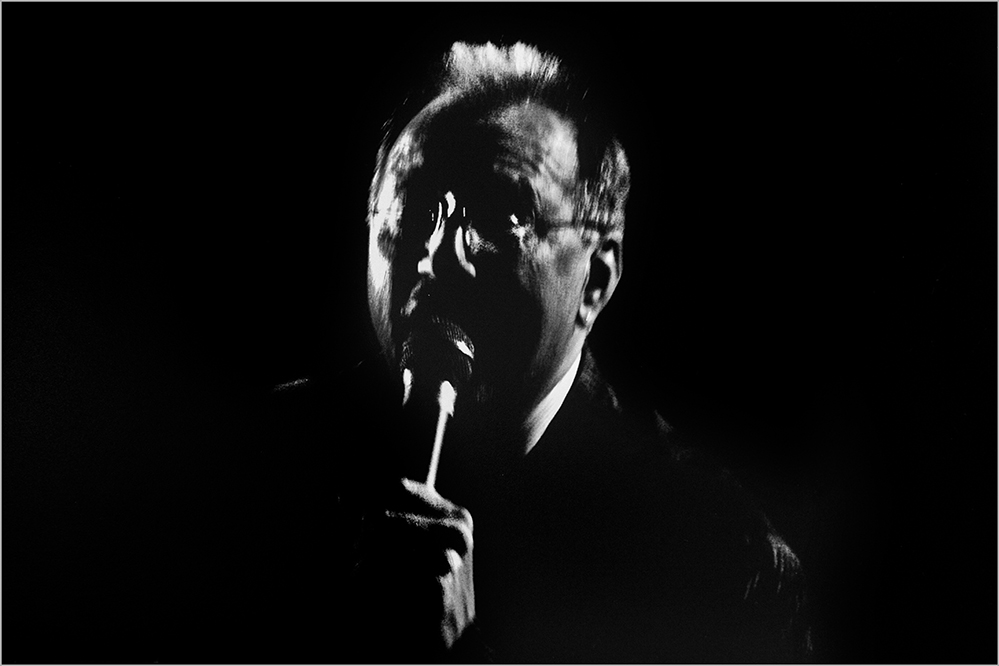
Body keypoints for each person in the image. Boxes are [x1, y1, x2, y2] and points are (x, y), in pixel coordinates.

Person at [269, 41, 811, 663]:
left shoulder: (714, 557)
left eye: (501, 215)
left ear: (596, 280)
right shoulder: (265, 455)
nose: (436, 258)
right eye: (413, 208)